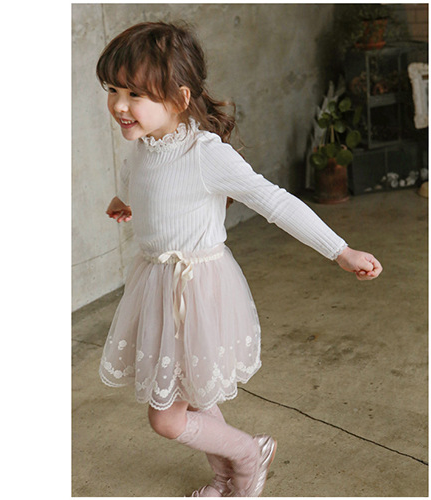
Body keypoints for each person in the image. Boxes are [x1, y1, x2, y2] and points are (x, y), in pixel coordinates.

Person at [95, 21, 382, 497]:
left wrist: (341, 250)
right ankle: (226, 477)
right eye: (112, 90)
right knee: (194, 391)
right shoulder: (145, 144)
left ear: (179, 99)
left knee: (167, 419)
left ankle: (249, 453)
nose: (119, 105)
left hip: (196, 291)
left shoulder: (205, 153)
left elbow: (275, 202)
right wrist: (125, 203)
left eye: (134, 94)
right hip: (156, 285)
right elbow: (137, 179)